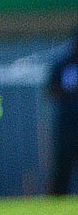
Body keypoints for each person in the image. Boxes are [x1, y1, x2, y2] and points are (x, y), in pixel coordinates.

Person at [50, 29, 78, 194]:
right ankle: (58, 202)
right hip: (67, 127)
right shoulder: (63, 64)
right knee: (63, 168)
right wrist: (69, 90)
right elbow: (52, 91)